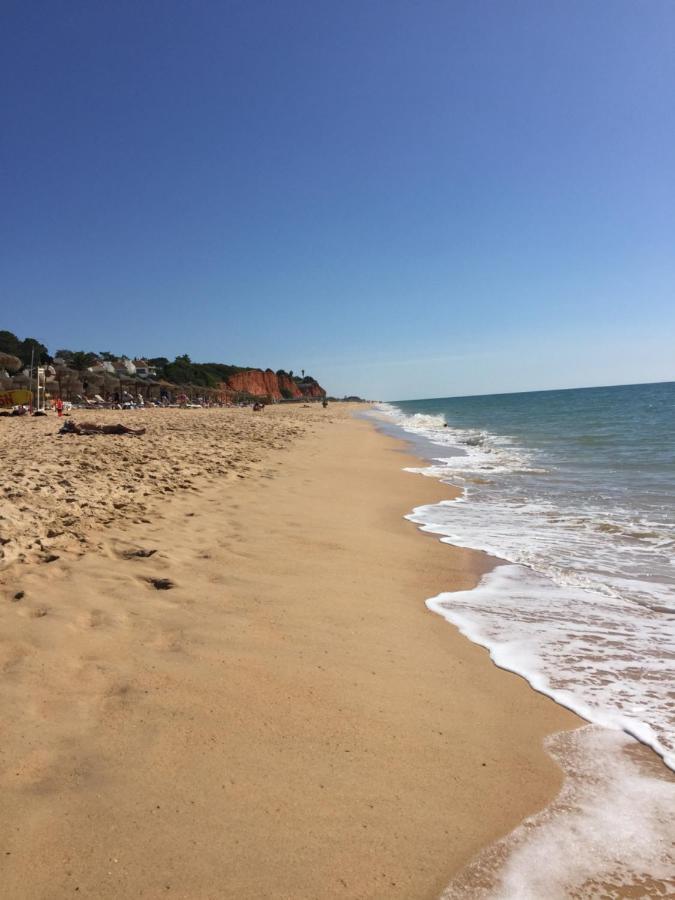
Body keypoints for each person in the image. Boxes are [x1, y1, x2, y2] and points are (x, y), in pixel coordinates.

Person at [59, 420, 146, 436]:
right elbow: (84, 432)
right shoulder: (77, 427)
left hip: (102, 427)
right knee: (119, 425)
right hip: (103, 428)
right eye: (70, 422)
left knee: (120, 430)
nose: (72, 421)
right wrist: (97, 432)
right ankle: (136, 431)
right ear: (71, 425)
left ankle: (133, 432)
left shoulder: (78, 425)